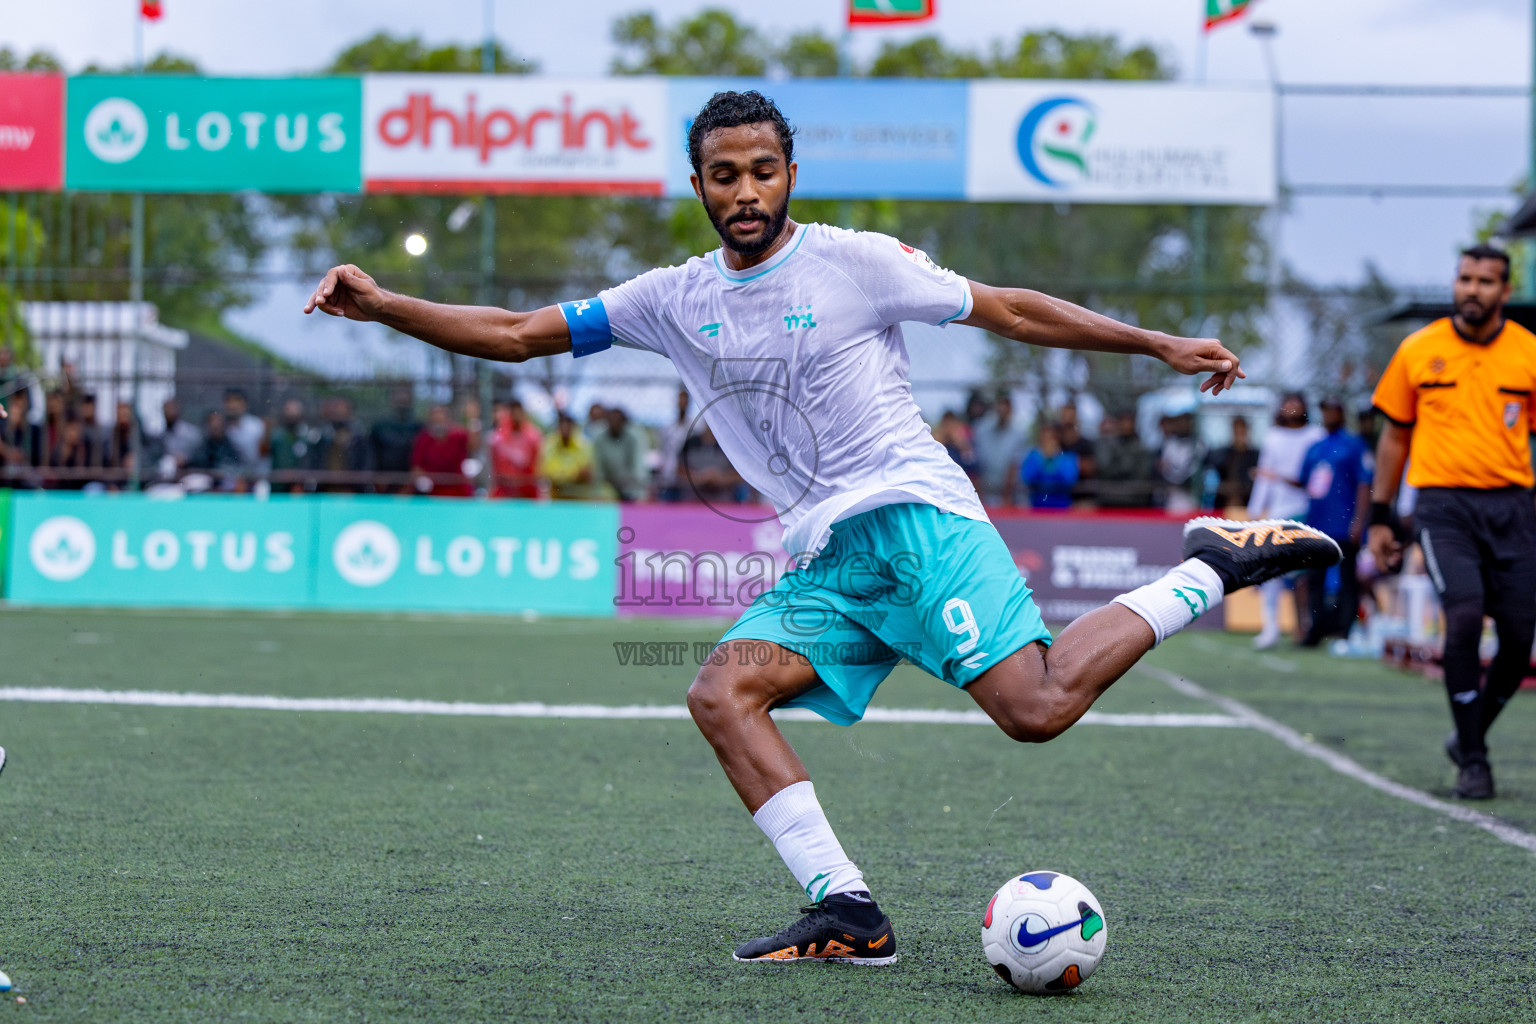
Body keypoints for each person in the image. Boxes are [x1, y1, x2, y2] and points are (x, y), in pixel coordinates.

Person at [305, 88, 1337, 966]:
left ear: (790, 172)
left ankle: (1207, 564)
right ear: (698, 184)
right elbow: (519, 334)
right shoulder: (672, 297)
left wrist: (1155, 342)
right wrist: (385, 302)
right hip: (833, 561)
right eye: (723, 174)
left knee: (1038, 706)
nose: (744, 190)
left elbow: (1011, 311)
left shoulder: (856, 261)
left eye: (762, 169)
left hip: (914, 522)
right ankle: (848, 909)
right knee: (723, 689)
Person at [1368, 244, 1536, 800]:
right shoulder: (1419, 349)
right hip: (1443, 509)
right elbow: (1394, 438)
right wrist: (1381, 516)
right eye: (1464, 279)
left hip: (1514, 508)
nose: (1472, 289)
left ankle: (1469, 732)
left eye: (1485, 281)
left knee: (1518, 640)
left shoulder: (1528, 353)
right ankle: (1475, 760)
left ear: (1504, 292)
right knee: (1462, 620)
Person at [1247, 393, 1326, 649]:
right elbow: (1264, 478)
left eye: (1297, 403)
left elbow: (1317, 477)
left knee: (1302, 576)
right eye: (1288, 403)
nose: (1292, 407)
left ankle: (1302, 626)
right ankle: (1270, 625)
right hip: (1277, 512)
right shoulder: (1273, 436)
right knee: (1271, 571)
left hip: (1305, 510)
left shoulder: (1316, 435)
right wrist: (1255, 509)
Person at [1296, 398, 1372, 647]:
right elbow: (1305, 482)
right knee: (1314, 580)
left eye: (1333, 410)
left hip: (1344, 524)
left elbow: (1364, 483)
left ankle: (1346, 631)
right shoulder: (1315, 447)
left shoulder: (1354, 445)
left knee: (1348, 580)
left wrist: (1359, 521)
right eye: (1325, 410)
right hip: (1317, 524)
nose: (1328, 415)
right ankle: (1315, 631)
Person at [972, 393, 1027, 506]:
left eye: (1006, 407)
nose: (1002, 411)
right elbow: (975, 464)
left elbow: (1014, 466)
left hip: (1010, 497)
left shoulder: (1019, 434)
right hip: (983, 494)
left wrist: (1006, 499)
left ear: (1011, 410)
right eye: (1000, 406)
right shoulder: (980, 430)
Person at [308, 397, 372, 492]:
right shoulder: (322, 437)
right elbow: (314, 463)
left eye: (342, 409)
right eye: (336, 408)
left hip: (353, 491)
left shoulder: (359, 438)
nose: (338, 412)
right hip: (326, 490)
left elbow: (366, 465)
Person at [1094, 411, 1154, 507]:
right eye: (1123, 422)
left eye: (1129, 422)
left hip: (1135, 498)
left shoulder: (1141, 448)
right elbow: (1105, 469)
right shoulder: (1107, 445)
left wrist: (1122, 466)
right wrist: (1125, 466)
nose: (1126, 425)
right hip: (1110, 496)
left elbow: (1143, 473)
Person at [410, 404, 472, 497]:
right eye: (435, 421)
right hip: (433, 493)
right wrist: (423, 482)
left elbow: (474, 444)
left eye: (441, 420)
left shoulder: (459, 436)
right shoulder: (424, 439)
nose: (439, 424)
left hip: (458, 491)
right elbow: (417, 466)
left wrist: (471, 418)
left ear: (448, 421)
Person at [592, 405, 650, 501]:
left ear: (624, 422)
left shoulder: (632, 439)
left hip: (631, 487)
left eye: (618, 420)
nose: (615, 423)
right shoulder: (600, 440)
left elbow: (638, 468)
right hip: (608, 487)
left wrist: (636, 485)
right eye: (612, 420)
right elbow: (598, 469)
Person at [489, 399, 544, 499]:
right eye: (513, 412)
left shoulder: (533, 436)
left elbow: (537, 465)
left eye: (518, 412)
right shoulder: (498, 437)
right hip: (504, 491)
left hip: (527, 491)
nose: (516, 416)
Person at [369, 387, 421, 492]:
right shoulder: (380, 427)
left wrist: (412, 481)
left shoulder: (419, 427)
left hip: (411, 484)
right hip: (385, 481)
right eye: (399, 400)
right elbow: (372, 453)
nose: (401, 404)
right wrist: (377, 476)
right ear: (391, 401)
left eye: (405, 401)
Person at [539, 412, 599, 499]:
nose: (565, 428)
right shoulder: (549, 444)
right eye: (562, 425)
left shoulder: (584, 445)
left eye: (568, 425)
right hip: (556, 497)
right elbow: (545, 471)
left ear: (574, 427)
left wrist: (560, 476)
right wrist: (574, 475)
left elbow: (588, 472)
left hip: (579, 497)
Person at [1205, 416, 1260, 510]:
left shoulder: (1255, 456)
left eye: (1242, 431)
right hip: (1223, 504)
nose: (1239, 435)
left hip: (1246, 504)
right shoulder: (1222, 454)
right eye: (1237, 431)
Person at [1019, 423, 1079, 509]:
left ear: (1058, 440)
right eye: (1044, 439)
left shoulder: (1068, 457)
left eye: (1051, 439)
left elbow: (1070, 479)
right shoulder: (1033, 456)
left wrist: (1054, 459)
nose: (1048, 443)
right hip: (1037, 508)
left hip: (1062, 508)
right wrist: (1043, 459)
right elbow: (1027, 477)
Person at [656, 387, 693, 501]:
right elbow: (663, 451)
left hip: (687, 478)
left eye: (684, 399)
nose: (682, 403)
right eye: (680, 399)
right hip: (668, 476)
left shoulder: (695, 427)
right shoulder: (668, 428)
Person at [223, 389, 266, 478]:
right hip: (229, 477)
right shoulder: (221, 427)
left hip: (255, 475)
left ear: (245, 404)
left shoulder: (256, 426)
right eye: (229, 401)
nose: (233, 405)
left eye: (237, 400)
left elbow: (262, 456)